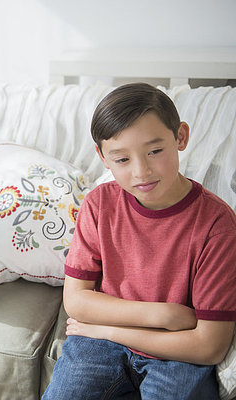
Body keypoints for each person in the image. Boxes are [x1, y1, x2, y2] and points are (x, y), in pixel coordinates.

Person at [43, 83, 236, 399]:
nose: (142, 172)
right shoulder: (98, 204)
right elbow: (76, 300)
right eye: (122, 159)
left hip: (177, 355)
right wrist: (166, 315)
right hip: (99, 345)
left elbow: (210, 346)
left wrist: (108, 329)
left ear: (180, 137)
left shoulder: (216, 224)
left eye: (155, 151)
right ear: (103, 157)